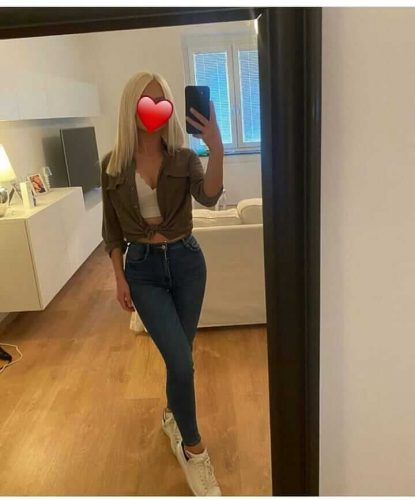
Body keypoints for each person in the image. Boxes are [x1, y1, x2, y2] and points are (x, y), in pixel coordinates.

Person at [101, 71, 224, 495]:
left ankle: (173, 416)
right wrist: (119, 277)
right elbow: (111, 229)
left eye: (161, 102)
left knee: (180, 358)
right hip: (143, 270)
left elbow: (209, 197)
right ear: (130, 107)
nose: (153, 111)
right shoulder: (112, 164)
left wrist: (216, 148)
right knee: (181, 361)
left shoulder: (184, 158)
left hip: (188, 263)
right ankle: (194, 449)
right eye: (145, 101)